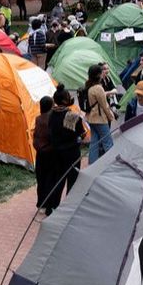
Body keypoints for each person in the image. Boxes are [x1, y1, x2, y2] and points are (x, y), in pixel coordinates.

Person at [44, 86, 86, 215]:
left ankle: (52, 207)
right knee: (72, 180)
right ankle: (69, 208)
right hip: (72, 153)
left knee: (57, 180)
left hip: (56, 152)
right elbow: (82, 133)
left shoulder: (51, 114)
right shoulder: (73, 116)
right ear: (65, 100)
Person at [85, 63, 116, 164]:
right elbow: (105, 105)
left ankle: (92, 163)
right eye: (102, 71)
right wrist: (111, 116)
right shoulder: (98, 88)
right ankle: (111, 164)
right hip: (99, 118)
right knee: (108, 142)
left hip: (91, 118)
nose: (104, 73)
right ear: (98, 75)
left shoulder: (89, 86)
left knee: (94, 142)